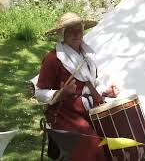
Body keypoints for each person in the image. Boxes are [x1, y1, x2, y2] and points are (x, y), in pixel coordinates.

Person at [35, 12, 119, 160]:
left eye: (78, 30)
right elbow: (39, 93)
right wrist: (60, 93)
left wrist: (105, 91)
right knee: (93, 147)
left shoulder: (87, 55)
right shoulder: (53, 59)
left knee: (115, 139)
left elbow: (90, 85)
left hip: (90, 111)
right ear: (62, 34)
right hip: (64, 115)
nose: (76, 34)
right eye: (70, 30)